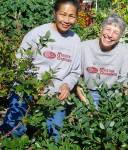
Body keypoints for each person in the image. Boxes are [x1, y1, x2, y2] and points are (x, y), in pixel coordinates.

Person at [1, 0, 81, 142]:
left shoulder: (75, 40)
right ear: (54, 13)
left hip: (55, 95)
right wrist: (31, 85)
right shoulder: (38, 34)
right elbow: (19, 62)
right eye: (62, 14)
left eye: (71, 16)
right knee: (13, 129)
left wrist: (66, 85)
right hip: (27, 89)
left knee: (55, 135)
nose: (67, 20)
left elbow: (75, 71)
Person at [77, 14, 128, 108]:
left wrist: (121, 106)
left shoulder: (124, 52)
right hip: (88, 93)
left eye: (116, 32)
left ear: (120, 37)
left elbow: (126, 82)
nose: (110, 35)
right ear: (101, 29)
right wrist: (86, 103)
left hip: (113, 95)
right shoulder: (84, 47)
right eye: (108, 29)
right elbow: (77, 78)